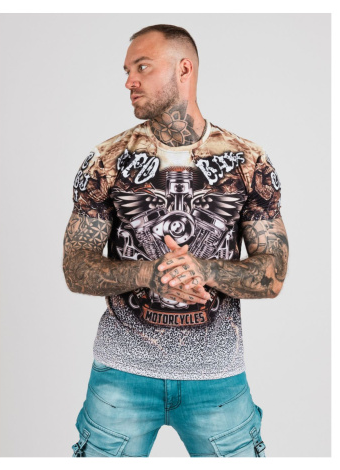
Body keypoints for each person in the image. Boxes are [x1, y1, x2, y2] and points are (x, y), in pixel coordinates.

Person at [62, 24, 289, 458]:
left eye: (142, 67)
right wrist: (150, 274)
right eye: (127, 70)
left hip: (217, 379)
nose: (129, 81)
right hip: (121, 375)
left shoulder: (248, 162)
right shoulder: (106, 161)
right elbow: (76, 267)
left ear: (184, 69)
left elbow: (273, 273)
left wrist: (204, 270)